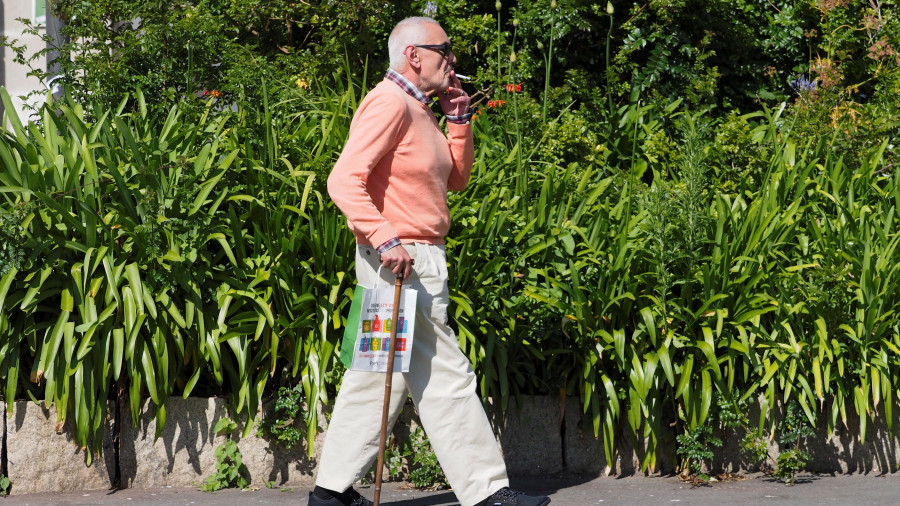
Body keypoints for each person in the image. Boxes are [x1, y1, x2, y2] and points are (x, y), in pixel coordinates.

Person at [310, 16, 551, 506]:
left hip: (406, 260)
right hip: (401, 262)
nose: (453, 58)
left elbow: (454, 181)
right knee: (445, 373)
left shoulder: (420, 110)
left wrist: (458, 120)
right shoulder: (389, 102)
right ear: (414, 55)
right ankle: (486, 492)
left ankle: (329, 493)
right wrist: (385, 239)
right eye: (446, 49)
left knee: (375, 374)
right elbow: (343, 181)